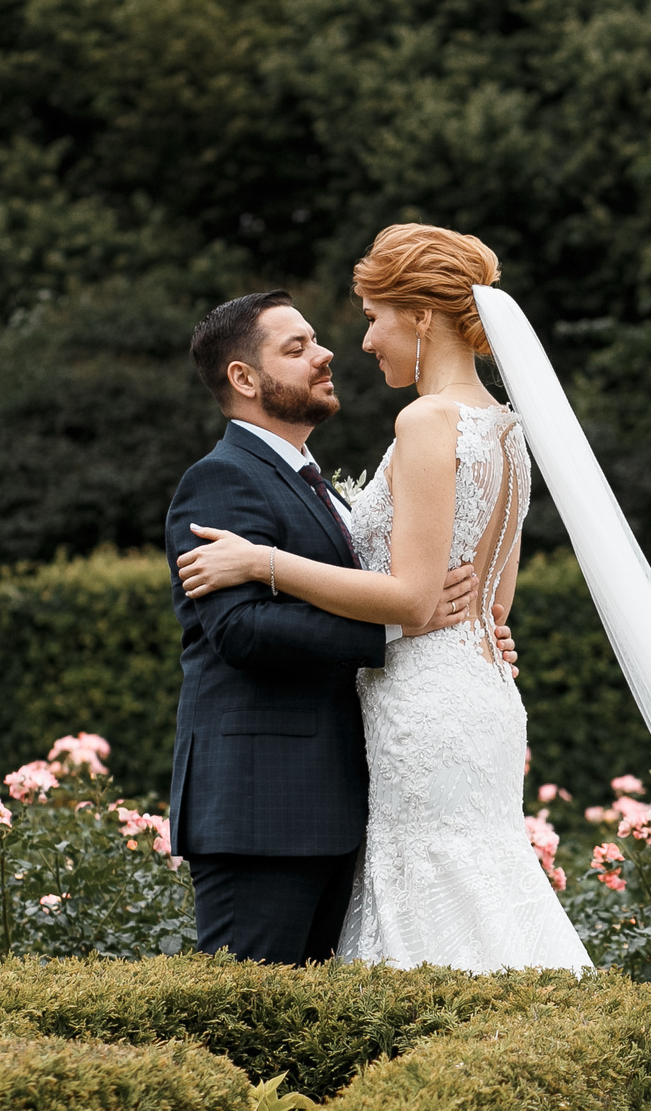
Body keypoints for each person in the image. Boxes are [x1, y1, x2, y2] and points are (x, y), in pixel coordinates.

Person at [176, 228, 593, 974]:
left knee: (435, 899)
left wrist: (264, 560)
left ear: (423, 317)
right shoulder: (506, 431)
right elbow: (492, 603)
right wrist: (460, 631)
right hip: (473, 694)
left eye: (373, 316)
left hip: (427, 708)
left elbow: (413, 595)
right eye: (300, 344)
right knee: (476, 888)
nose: (358, 341)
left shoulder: (427, 421)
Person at [162, 287, 497, 966]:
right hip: (261, 808)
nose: (327, 354)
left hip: (333, 806)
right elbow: (243, 631)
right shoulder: (220, 481)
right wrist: (402, 630)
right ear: (244, 378)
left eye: (316, 341)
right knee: (247, 1025)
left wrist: (463, 633)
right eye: (298, 348)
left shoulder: (317, 485)